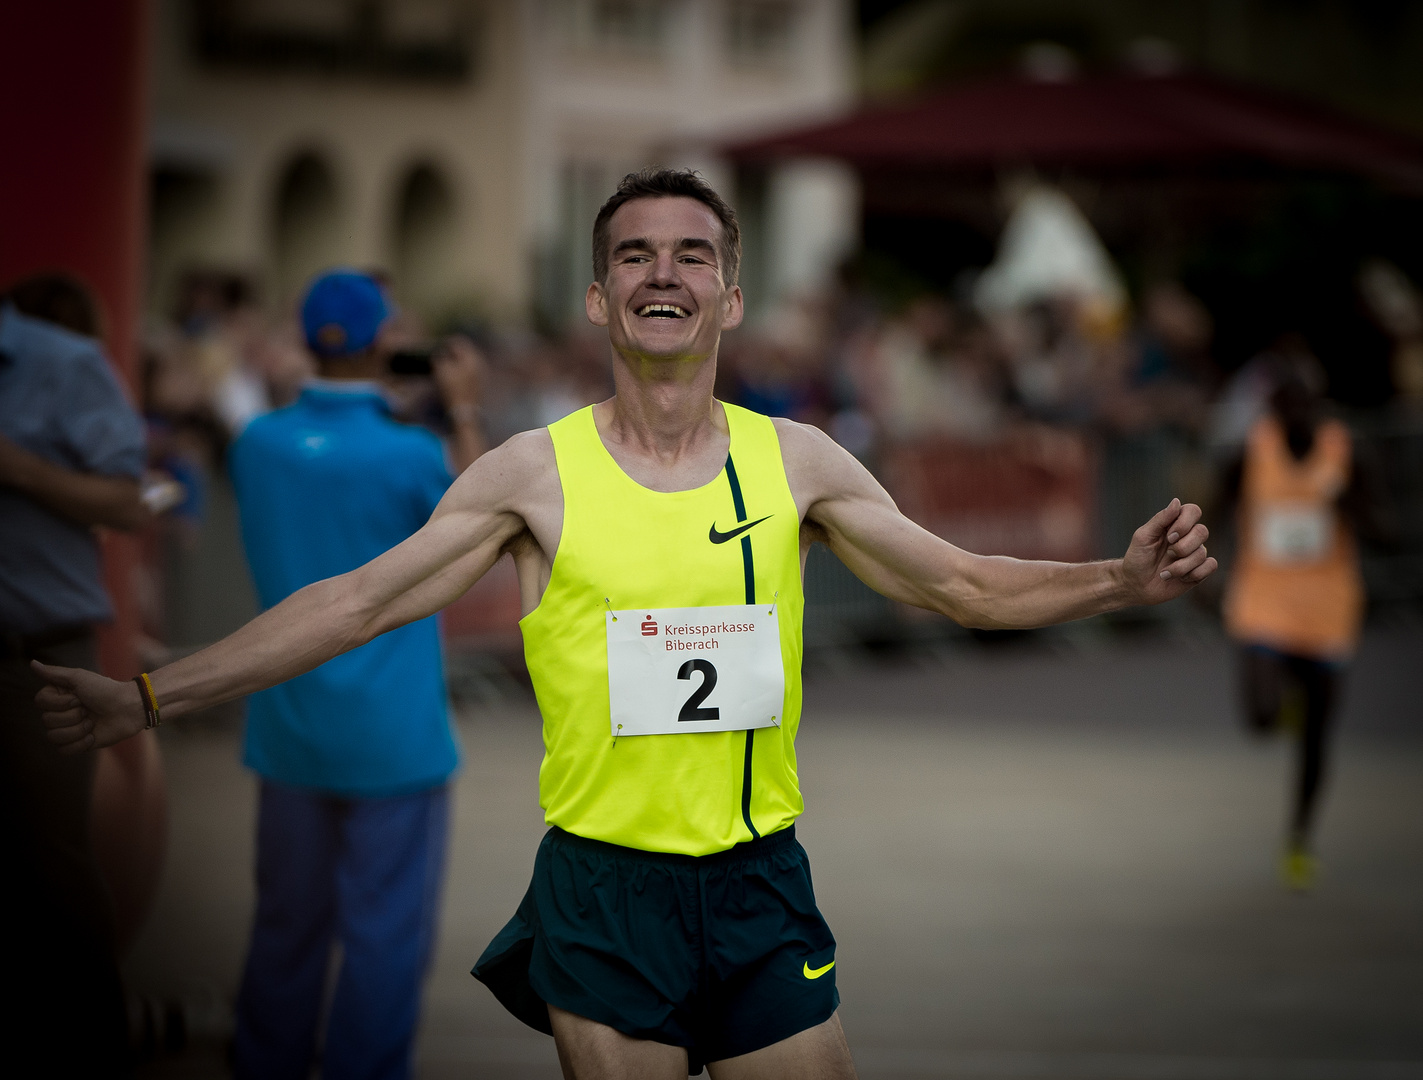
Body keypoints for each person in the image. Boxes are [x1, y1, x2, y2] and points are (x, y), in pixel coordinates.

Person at [35, 169, 1217, 1080]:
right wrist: (147, 694)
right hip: (603, 894)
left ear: (730, 294)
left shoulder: (796, 461)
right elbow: (356, 602)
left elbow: (958, 582)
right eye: (637, 255)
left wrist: (1115, 582)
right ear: (599, 296)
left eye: (694, 255)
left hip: (760, 885)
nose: (667, 272)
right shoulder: (528, 479)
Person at [226, 269, 484, 1080]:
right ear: (384, 342)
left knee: (283, 926)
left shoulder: (257, 444)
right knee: (383, 937)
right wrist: (465, 407)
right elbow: (485, 520)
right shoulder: (409, 451)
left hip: (289, 724)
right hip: (394, 734)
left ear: (306, 340)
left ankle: (264, 1063)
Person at [1, 275, 147, 1076]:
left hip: (30, 658)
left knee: (51, 875)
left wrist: (16, 469)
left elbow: (129, 499)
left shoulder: (62, 364)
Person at [1221, 362, 1367, 892]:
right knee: (1260, 716)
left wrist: (1346, 500)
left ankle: (1300, 840)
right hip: (1265, 601)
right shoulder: (1252, 453)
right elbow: (1214, 506)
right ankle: (1280, 701)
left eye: (1306, 405)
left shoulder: (1344, 453)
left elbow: (1383, 525)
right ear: (1273, 411)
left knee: (1317, 737)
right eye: (1285, 407)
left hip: (1329, 607)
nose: (1296, 417)